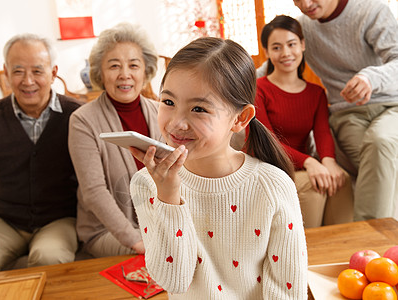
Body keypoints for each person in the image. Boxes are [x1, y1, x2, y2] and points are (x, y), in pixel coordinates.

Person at [129, 37, 308, 299]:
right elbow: (174, 281)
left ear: (240, 118)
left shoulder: (272, 185)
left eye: (199, 108)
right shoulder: (146, 183)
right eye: (168, 102)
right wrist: (168, 197)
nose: (177, 123)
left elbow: (288, 290)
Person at [0, 34, 81, 273]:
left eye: (37, 71)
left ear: (53, 73)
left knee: (49, 259)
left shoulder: (77, 116)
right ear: (6, 73)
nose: (27, 81)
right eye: (18, 71)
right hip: (3, 221)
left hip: (60, 219)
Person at [290, 0, 398, 221]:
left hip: (392, 105)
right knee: (380, 166)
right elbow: (274, 65)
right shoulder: (302, 29)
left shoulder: (372, 11)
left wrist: (371, 78)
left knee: (381, 143)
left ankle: (367, 240)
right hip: (348, 116)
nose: (305, 4)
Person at [68, 23, 161, 258]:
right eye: (114, 66)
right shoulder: (82, 120)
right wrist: (136, 240)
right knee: (159, 255)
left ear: (145, 70)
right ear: (100, 72)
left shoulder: (162, 112)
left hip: (160, 221)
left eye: (133, 65)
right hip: (106, 230)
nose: (124, 74)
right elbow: (93, 191)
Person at [255, 15, 354, 228]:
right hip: (268, 164)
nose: (286, 53)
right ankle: (307, 251)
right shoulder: (258, 89)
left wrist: (328, 160)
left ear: (302, 45)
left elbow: (323, 133)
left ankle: (340, 250)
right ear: (267, 52)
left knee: (340, 179)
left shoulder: (316, 93)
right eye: (276, 47)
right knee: (313, 184)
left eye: (291, 44)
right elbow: (265, 141)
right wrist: (310, 162)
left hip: (299, 166)